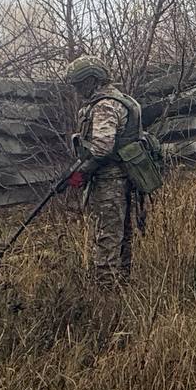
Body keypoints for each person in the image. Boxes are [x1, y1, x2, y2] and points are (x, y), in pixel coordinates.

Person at [59, 55, 146, 284]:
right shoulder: (120, 99)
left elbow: (102, 148)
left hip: (110, 182)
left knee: (107, 235)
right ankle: (122, 283)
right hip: (126, 178)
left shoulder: (105, 105)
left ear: (93, 80)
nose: (77, 90)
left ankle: (106, 291)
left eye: (79, 84)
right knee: (122, 234)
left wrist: (79, 172)